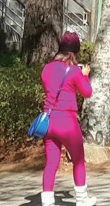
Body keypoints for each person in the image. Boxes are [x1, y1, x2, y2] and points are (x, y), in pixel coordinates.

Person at [40, 32, 95, 206]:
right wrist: (85, 74)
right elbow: (87, 92)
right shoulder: (74, 71)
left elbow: (48, 88)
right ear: (75, 52)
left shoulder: (47, 68)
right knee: (78, 160)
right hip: (68, 122)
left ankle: (47, 202)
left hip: (49, 121)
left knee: (51, 163)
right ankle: (82, 199)